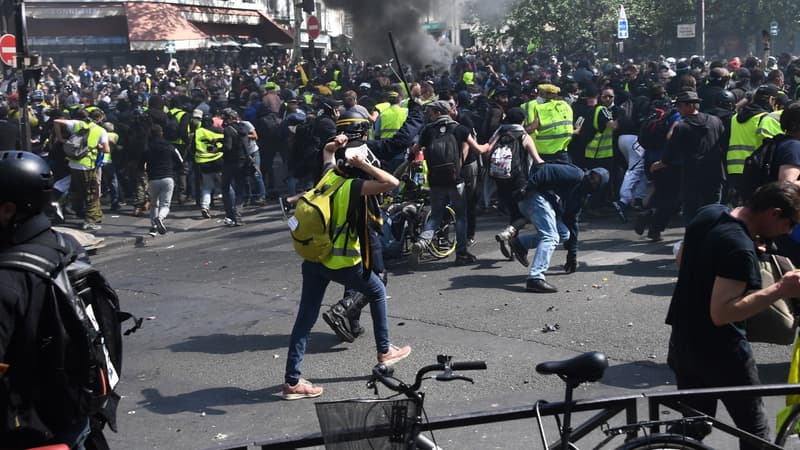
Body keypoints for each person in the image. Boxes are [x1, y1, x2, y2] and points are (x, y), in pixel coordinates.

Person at [666, 181, 800, 450]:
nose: (790, 231)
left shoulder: (709, 214)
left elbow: (682, 259)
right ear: (774, 213)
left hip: (683, 341)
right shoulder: (738, 247)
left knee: (695, 424)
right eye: (790, 223)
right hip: (723, 351)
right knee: (754, 430)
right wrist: (779, 289)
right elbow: (723, 313)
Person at [282, 133, 411, 400]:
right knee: (376, 292)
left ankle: (292, 381)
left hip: (313, 259)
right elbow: (391, 182)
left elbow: (327, 153)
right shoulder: (352, 186)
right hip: (341, 261)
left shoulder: (328, 176)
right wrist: (364, 165)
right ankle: (385, 350)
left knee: (305, 318)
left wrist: (335, 145)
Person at [0, 151, 91, 448]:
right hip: (74, 412)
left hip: (29, 430)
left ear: (7, 210)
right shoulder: (66, 245)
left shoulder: (9, 279)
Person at [509, 164, 609, 293]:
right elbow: (547, 169)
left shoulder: (580, 198)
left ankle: (520, 243)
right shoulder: (577, 174)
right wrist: (527, 187)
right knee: (551, 236)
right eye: (593, 175)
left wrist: (572, 254)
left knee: (563, 233)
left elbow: (572, 223)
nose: (592, 180)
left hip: (542, 204)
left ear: (599, 188)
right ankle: (535, 278)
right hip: (533, 197)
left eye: (596, 181)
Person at [665, 90, 726, 223]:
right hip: (715, 172)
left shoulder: (681, 127)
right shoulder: (715, 121)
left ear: (690, 106)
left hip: (692, 175)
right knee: (714, 208)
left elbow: (671, 152)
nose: (677, 109)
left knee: (691, 210)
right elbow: (724, 143)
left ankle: (693, 240)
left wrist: (661, 163)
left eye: (679, 106)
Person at [54, 108, 109, 232]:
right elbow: (107, 150)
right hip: (88, 165)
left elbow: (56, 121)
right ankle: (90, 221)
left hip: (73, 163)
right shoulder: (101, 131)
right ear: (100, 118)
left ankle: (62, 205)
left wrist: (60, 139)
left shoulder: (77, 124)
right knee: (92, 192)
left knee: (77, 190)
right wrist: (98, 146)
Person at [143, 124, 183, 236]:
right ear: (162, 133)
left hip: (153, 178)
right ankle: (160, 218)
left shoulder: (148, 148)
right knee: (165, 204)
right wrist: (174, 170)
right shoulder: (170, 146)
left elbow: (141, 163)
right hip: (167, 177)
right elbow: (180, 161)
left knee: (154, 203)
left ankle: (153, 227)